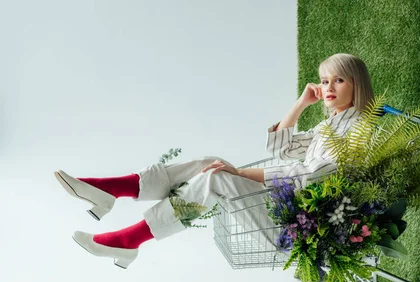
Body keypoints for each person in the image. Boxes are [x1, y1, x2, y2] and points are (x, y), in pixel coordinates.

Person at [55, 53, 375, 268]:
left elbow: (310, 175)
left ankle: (130, 237)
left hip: (297, 226)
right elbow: (283, 148)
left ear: (356, 84)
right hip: (286, 207)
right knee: (212, 163)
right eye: (323, 81)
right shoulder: (331, 124)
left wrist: (240, 173)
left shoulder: (359, 129)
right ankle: (117, 189)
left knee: (217, 177)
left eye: (338, 80)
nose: (327, 87)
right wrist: (301, 103)